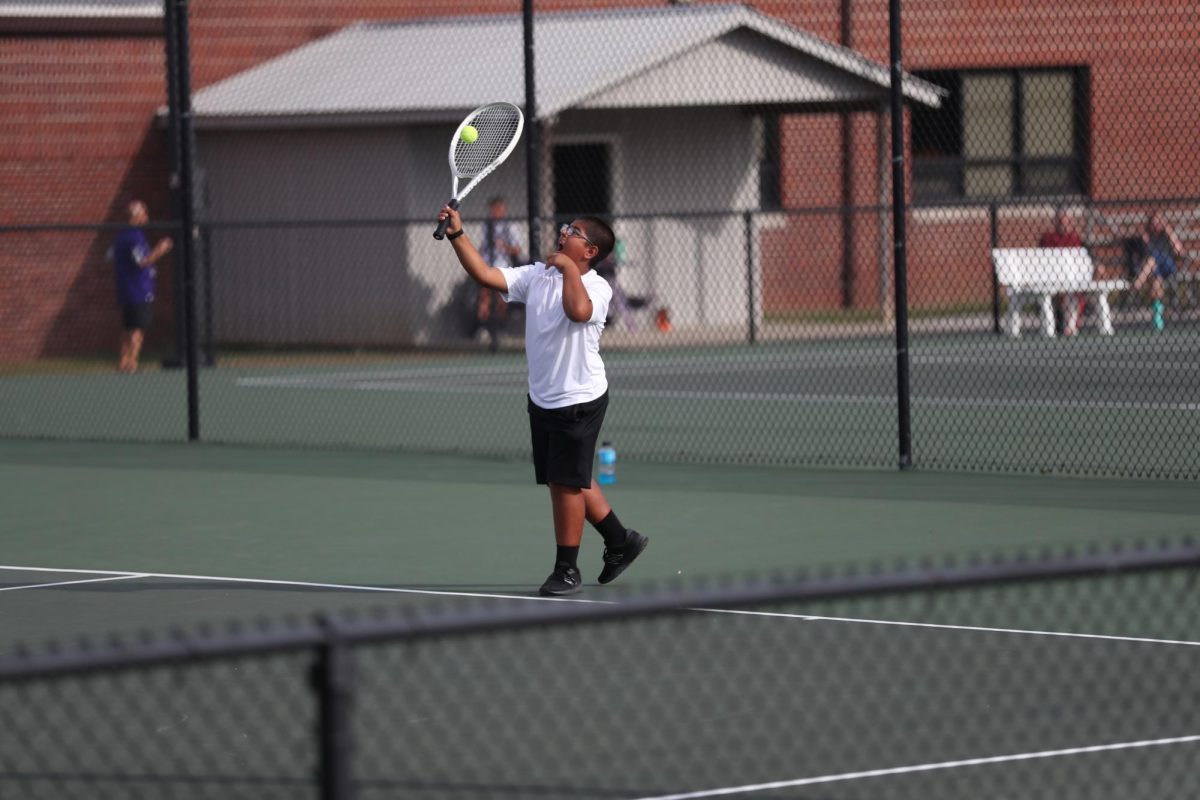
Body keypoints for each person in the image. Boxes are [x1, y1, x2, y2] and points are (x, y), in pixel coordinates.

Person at [438, 203, 649, 596]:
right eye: (566, 227)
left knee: (564, 482)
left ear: (589, 253)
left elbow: (578, 312)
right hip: (544, 397)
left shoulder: (598, 287)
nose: (564, 232)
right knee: (568, 475)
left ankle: (567, 570)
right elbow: (485, 274)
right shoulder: (536, 275)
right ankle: (621, 540)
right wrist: (456, 234)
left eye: (574, 232)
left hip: (580, 397)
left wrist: (568, 271)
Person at [108, 200, 172, 372]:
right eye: (144, 213)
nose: (147, 217)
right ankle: (132, 363)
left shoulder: (121, 235)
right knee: (137, 328)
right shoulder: (133, 237)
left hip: (125, 287)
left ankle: (123, 362)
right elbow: (143, 261)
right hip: (138, 289)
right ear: (136, 216)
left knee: (128, 326)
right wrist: (161, 248)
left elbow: (110, 256)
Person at [474, 196, 523, 351]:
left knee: (501, 300)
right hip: (487, 267)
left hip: (503, 267)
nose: (496, 212)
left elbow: (517, 249)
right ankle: (484, 329)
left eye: (500, 208)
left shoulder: (511, 227)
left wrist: (503, 246)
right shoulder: (486, 226)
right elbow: (482, 247)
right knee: (484, 296)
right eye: (494, 209)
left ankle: (500, 330)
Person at [1131, 212, 1184, 331]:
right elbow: (1142, 255)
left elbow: (1179, 252)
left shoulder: (1167, 235)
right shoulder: (1147, 236)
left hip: (1167, 265)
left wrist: (1169, 231)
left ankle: (1137, 284)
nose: (1156, 224)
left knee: (1152, 260)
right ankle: (1158, 316)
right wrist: (1145, 240)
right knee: (1156, 281)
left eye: (1159, 221)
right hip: (1155, 270)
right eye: (1154, 222)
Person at [1038, 208, 1085, 336]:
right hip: (1050, 278)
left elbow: (1082, 261)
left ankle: (1070, 325)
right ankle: (1057, 323)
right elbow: (1040, 261)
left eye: (1066, 221)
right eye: (1060, 221)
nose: (1064, 224)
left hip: (1071, 279)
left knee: (1074, 291)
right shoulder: (1048, 238)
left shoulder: (1075, 238)